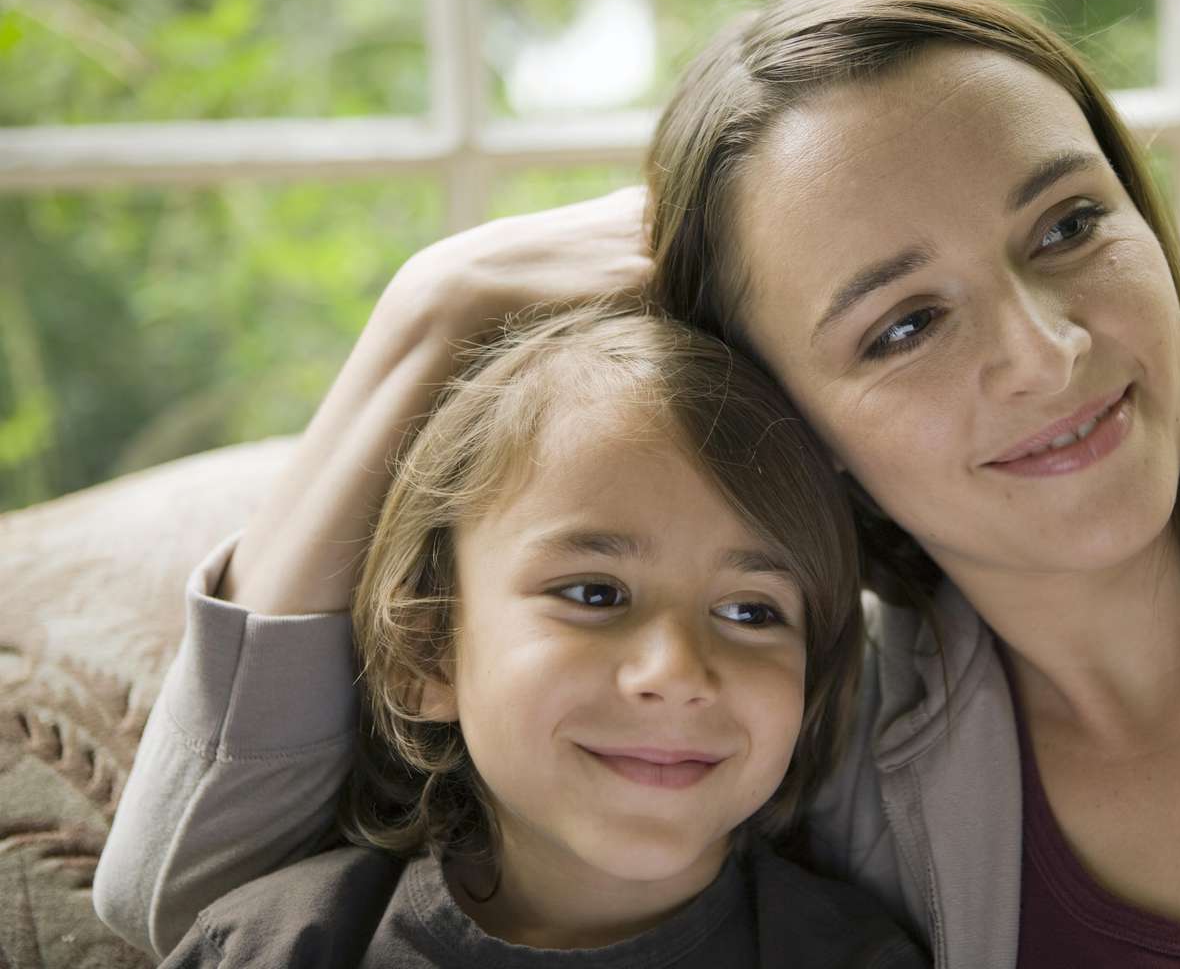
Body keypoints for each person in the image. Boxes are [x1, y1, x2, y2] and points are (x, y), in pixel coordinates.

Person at [97, 0, 1180, 966]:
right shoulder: (816, 731)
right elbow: (197, 898)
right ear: (802, 437)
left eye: (1070, 224)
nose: (1045, 348)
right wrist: (427, 316)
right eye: (901, 323)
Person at [148, 303, 924, 967]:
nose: (677, 670)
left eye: (753, 612)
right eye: (595, 594)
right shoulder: (276, 948)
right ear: (427, 653)